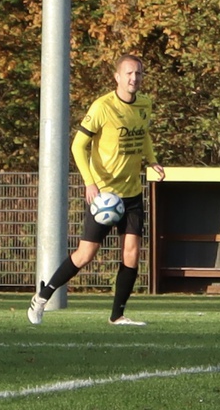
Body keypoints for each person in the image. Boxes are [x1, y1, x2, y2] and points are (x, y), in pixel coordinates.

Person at [29, 54, 165, 325]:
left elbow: (143, 135)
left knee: (132, 252)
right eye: (129, 73)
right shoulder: (103, 106)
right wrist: (90, 182)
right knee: (86, 254)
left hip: (132, 193)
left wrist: (152, 160)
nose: (134, 78)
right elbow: (78, 146)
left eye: (138, 73)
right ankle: (42, 297)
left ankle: (117, 315)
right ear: (117, 77)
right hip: (105, 196)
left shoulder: (145, 104)